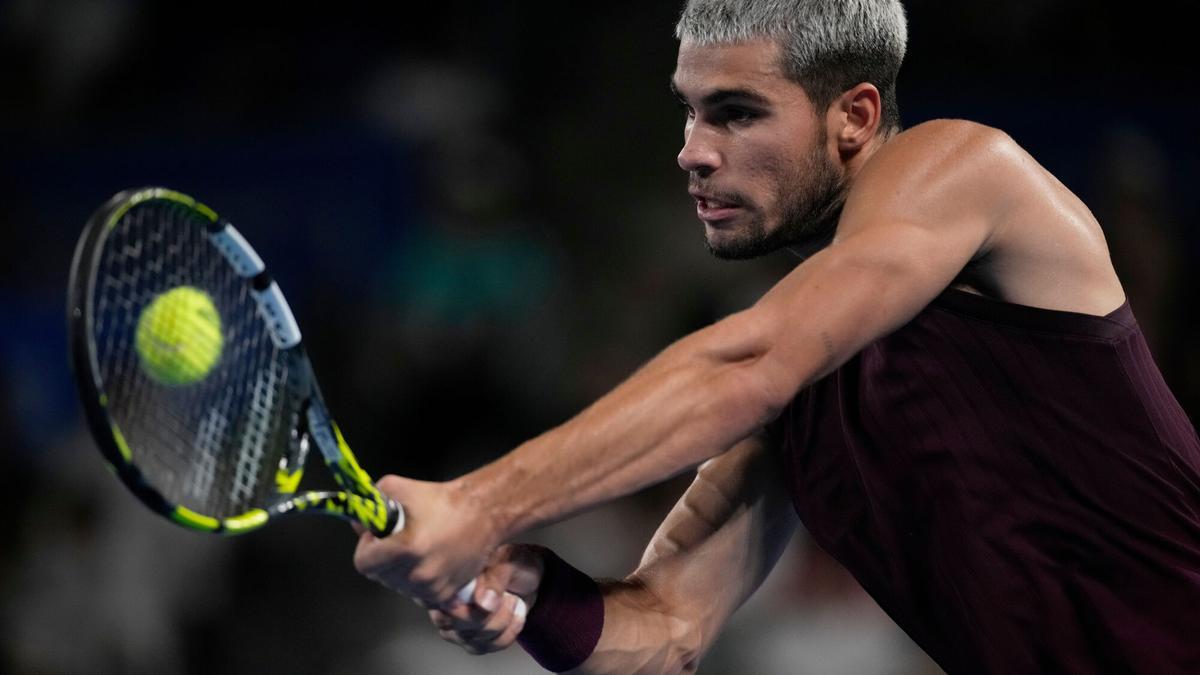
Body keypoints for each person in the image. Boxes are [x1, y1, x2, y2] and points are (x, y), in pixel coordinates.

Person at [352, 0, 1200, 672]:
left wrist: (479, 502)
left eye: (736, 113)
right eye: (689, 113)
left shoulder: (963, 167)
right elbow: (668, 630)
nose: (691, 151)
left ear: (856, 117)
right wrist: (530, 592)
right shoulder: (803, 383)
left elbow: (749, 362)